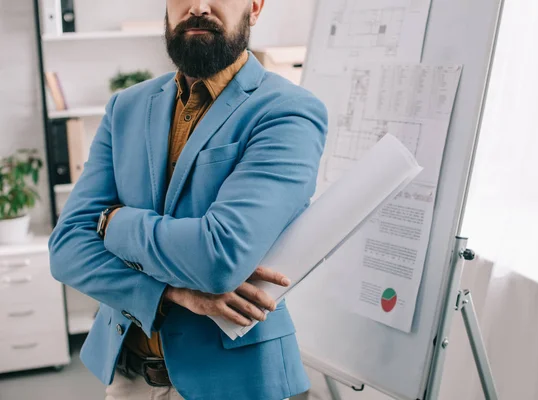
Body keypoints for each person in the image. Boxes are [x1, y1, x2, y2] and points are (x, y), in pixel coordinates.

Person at [48, 1, 328, 399]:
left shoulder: (288, 111)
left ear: (255, 6)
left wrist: (112, 221)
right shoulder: (125, 106)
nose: (197, 6)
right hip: (127, 376)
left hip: (231, 382)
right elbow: (66, 249)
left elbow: (218, 257)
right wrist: (170, 293)